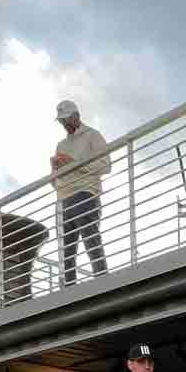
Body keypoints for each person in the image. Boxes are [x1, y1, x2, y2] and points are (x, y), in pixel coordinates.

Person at [49, 99, 111, 286]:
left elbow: (106, 165)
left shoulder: (93, 135)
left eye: (66, 119)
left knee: (90, 238)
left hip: (85, 193)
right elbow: (56, 182)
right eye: (61, 121)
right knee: (67, 248)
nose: (64, 124)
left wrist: (73, 162)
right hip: (63, 198)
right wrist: (54, 172)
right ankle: (69, 288)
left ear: (76, 116)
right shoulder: (61, 145)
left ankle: (102, 280)